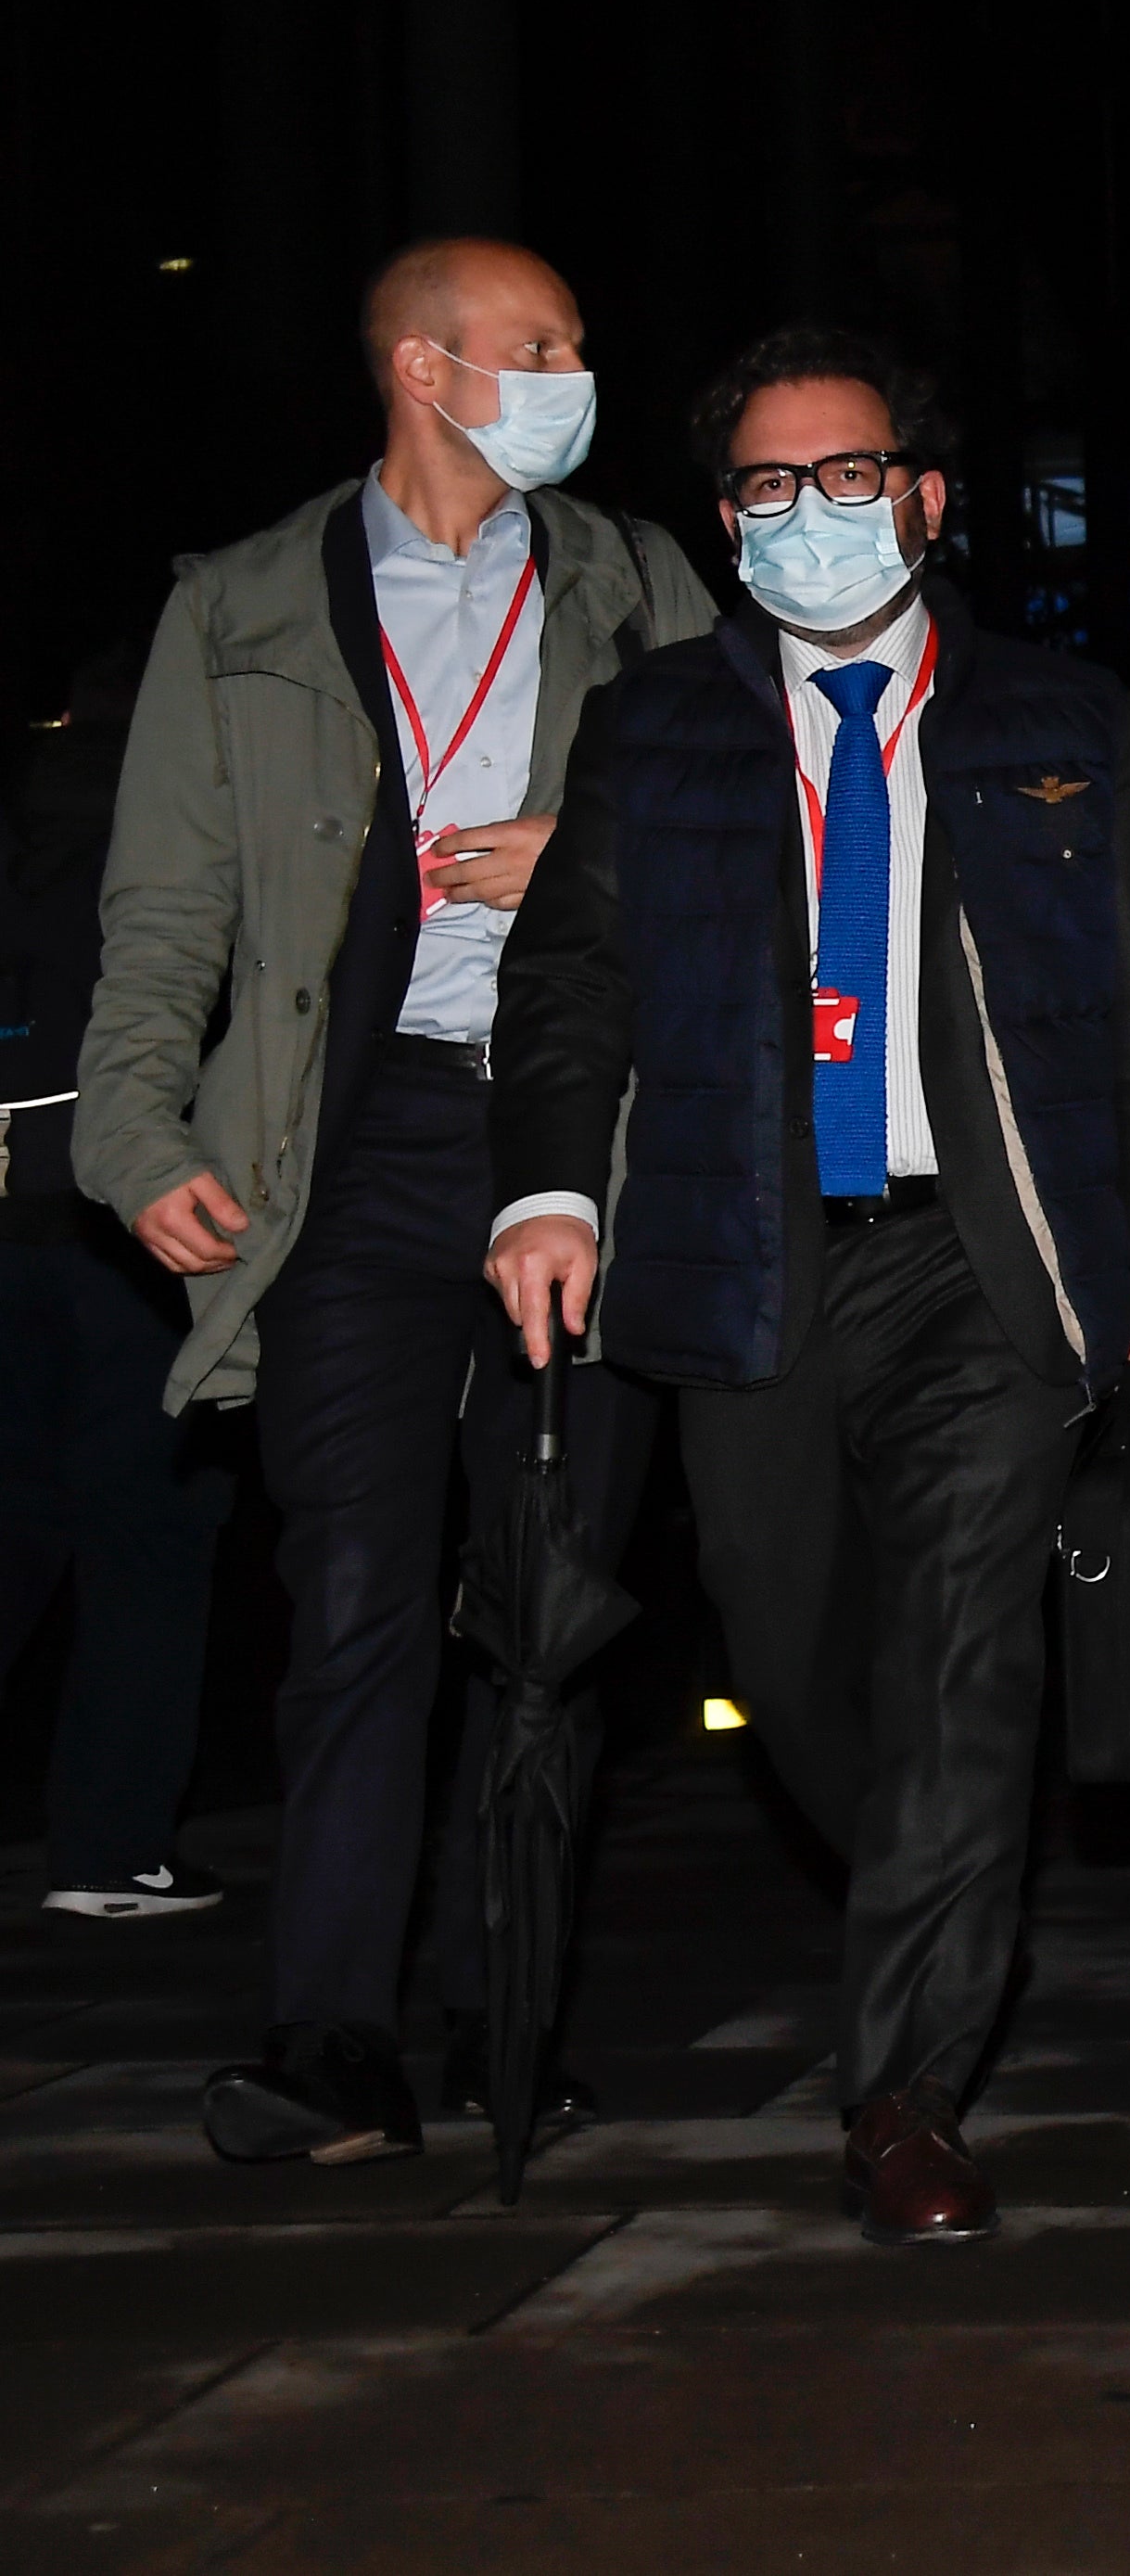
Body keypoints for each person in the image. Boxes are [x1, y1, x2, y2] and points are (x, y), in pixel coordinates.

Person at [483, 326, 1130, 2246]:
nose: (816, 518)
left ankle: (901, 2089)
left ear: (928, 497)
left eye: (853, 477)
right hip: (744, 1263)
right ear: (728, 526)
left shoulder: (1062, 716)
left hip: (987, 1271)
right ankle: (908, 1857)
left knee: (969, 1661)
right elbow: (564, 985)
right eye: (770, 489)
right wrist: (547, 1191)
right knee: (795, 1652)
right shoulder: (655, 728)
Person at [78, 238, 709, 2164]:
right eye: (541, 345)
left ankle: (502, 2017)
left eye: (580, 345)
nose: (575, 371)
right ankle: (330, 2035)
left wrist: (591, 848)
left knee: (547, 1606)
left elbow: (759, 834)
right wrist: (130, 1126)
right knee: (352, 1592)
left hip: (577, 1143)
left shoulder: (637, 583)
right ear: (427, 370)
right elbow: (167, 901)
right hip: (343, 1157)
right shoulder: (245, 604)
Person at [3, 648, 234, 1923]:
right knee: (147, 1524)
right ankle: (110, 1847)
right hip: (129, 1205)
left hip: (7, 1199)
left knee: (18, 1516)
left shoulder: (24, 797)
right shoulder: (173, 801)